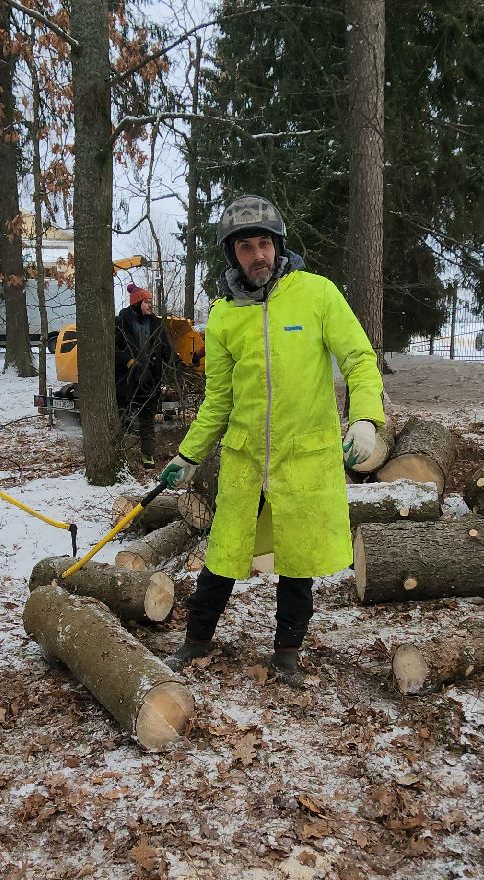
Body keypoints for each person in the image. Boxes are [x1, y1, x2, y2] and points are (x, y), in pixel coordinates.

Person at [159, 195, 385, 686]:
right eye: (246, 247)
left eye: (264, 244)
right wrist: (189, 453)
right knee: (222, 554)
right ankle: (196, 640)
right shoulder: (222, 316)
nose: (257, 255)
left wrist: (365, 418)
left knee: (297, 561)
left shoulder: (318, 294)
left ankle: (287, 654)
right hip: (244, 458)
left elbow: (360, 360)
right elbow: (218, 397)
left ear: (278, 246)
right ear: (232, 254)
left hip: (304, 457)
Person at [114, 283, 170, 466]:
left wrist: (175, 363)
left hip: (150, 380)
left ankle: (148, 456)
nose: (150, 306)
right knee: (121, 418)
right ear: (137, 302)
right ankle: (118, 455)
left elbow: (166, 349)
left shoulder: (156, 324)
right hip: (127, 380)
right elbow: (113, 348)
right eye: (147, 302)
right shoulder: (120, 323)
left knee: (147, 419)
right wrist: (129, 361)